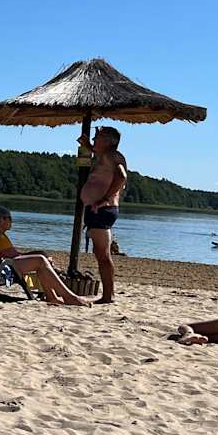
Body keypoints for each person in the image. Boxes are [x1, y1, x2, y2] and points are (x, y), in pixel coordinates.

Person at [0, 207, 92, 307]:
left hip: (1, 265)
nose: (12, 221)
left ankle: (52, 297)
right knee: (40, 260)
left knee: (42, 260)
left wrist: (41, 255)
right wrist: (41, 256)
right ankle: (68, 296)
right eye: (9, 218)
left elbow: (14, 255)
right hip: (1, 267)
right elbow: (15, 256)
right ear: (1, 219)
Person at [80, 126, 128, 304]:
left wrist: (104, 199)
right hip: (97, 209)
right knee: (100, 253)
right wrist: (87, 146)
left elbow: (121, 176)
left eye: (97, 137)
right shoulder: (105, 155)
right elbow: (98, 155)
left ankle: (109, 296)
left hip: (101, 210)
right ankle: (108, 295)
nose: (94, 139)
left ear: (108, 141)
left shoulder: (112, 156)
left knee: (103, 255)